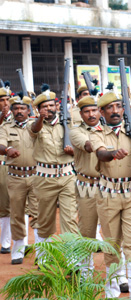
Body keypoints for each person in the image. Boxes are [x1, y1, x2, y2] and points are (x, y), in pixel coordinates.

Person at [90, 89, 131, 299]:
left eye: (118, 106)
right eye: (109, 108)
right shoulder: (97, 132)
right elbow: (101, 153)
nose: (115, 111)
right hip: (109, 193)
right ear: (101, 111)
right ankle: (112, 291)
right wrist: (112, 153)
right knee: (111, 244)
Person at [29, 84, 78, 245]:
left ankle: (73, 260)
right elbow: (34, 130)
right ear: (38, 109)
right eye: (44, 106)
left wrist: (73, 152)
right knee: (45, 219)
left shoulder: (68, 124)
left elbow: (79, 148)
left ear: (57, 106)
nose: (48, 109)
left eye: (51, 105)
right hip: (44, 178)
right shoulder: (36, 124)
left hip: (67, 176)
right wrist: (41, 118)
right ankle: (44, 256)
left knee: (70, 218)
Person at [0, 94, 38, 264]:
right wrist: (7, 149)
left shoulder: (36, 126)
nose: (19, 111)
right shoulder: (6, 127)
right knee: (16, 213)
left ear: (29, 110)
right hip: (15, 176)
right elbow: (0, 144)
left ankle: (43, 252)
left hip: (36, 175)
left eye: (23, 108)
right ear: (12, 111)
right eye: (16, 108)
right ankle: (18, 250)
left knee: (39, 215)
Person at [69, 96, 102, 241]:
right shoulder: (76, 132)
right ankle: (85, 264)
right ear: (81, 114)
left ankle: (116, 263)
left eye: (94, 110)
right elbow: (89, 146)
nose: (91, 114)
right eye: (87, 111)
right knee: (87, 229)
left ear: (100, 111)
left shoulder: (109, 129)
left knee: (113, 229)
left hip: (109, 184)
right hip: (87, 185)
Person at [0, 83, 13, 254]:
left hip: (4, 165)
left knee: (5, 204)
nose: (5, 103)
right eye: (1, 100)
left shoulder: (15, 117)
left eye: (7, 99)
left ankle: (5, 242)